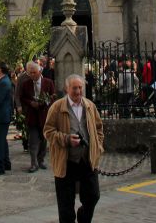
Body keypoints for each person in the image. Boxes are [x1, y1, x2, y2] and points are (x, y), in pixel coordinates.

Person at [44, 74, 104, 223]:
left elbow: (99, 129)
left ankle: (83, 217)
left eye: (80, 87)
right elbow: (48, 131)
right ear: (67, 89)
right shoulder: (57, 107)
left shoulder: (90, 106)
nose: (78, 91)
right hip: (66, 161)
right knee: (65, 206)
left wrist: (98, 147)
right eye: (74, 88)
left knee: (93, 195)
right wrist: (66, 139)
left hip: (87, 159)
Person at [20, 61, 55, 172]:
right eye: (30, 73)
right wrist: (30, 103)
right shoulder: (26, 84)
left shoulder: (48, 82)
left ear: (40, 72)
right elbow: (23, 97)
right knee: (33, 140)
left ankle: (41, 160)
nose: (32, 75)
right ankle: (33, 163)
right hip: (32, 116)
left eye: (34, 72)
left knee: (43, 140)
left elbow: (53, 96)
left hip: (44, 116)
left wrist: (45, 102)